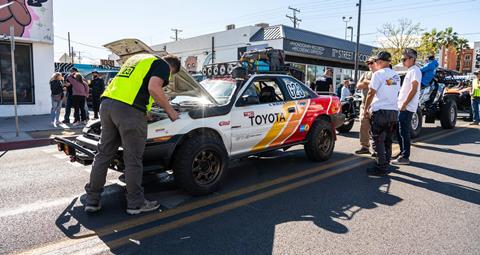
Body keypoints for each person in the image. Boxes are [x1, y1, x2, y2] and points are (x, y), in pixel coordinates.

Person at [84, 53, 181, 215]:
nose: (167, 80)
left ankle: (92, 201)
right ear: (172, 69)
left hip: (107, 105)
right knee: (133, 159)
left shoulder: (137, 60)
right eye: (169, 77)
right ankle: (135, 203)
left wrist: (145, 111)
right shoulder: (163, 66)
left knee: (103, 155)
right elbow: (153, 87)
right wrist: (170, 111)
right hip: (128, 111)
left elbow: (134, 87)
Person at [363, 51, 400, 176]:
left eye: (377, 62)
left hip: (380, 111)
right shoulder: (396, 76)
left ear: (380, 62)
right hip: (394, 112)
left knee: (378, 140)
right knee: (388, 140)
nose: (376, 64)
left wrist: (365, 109)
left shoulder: (378, 74)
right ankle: (386, 163)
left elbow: (371, 93)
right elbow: (390, 89)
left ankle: (380, 167)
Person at [392, 48, 422, 165]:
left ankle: (405, 157)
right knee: (400, 131)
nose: (403, 61)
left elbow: (414, 88)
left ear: (412, 59)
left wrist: (404, 104)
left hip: (407, 107)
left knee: (404, 132)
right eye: (402, 59)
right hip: (403, 106)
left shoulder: (415, 71)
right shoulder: (411, 71)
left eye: (404, 59)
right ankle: (402, 153)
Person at [355, 57, 377, 154]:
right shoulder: (365, 74)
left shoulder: (380, 73)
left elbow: (385, 85)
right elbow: (358, 85)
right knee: (363, 125)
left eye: (371, 62)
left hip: (376, 105)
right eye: (368, 63)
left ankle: (377, 149)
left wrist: (367, 82)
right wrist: (372, 83)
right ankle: (365, 146)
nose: (369, 65)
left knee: (376, 128)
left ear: (376, 63)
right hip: (364, 104)